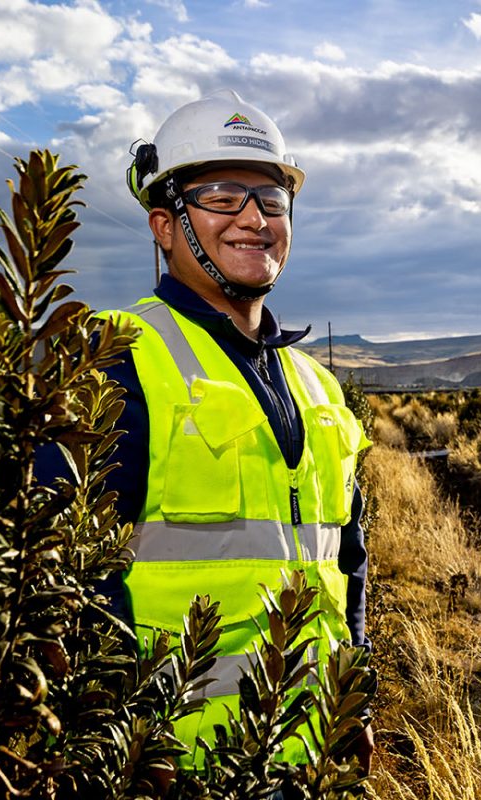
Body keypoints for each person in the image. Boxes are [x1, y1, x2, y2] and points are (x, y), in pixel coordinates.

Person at [101, 88, 374, 776]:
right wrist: (122, 751)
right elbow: (68, 582)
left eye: (271, 201)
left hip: (309, 753)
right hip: (177, 767)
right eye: (222, 198)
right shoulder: (119, 358)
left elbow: (346, 558)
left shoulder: (318, 386)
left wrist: (352, 702)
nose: (254, 219)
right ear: (165, 226)